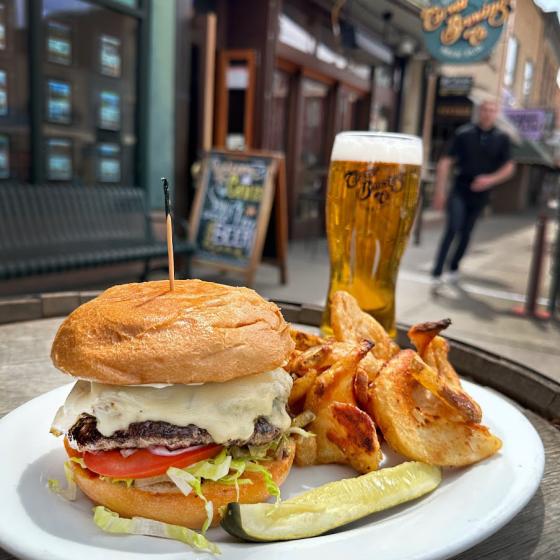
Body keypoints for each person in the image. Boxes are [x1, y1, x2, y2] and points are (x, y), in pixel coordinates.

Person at [431, 100, 515, 286]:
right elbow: (445, 163)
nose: (488, 113)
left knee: (466, 232)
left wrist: (490, 180)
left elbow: (509, 167)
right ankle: (437, 271)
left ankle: (453, 267)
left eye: (492, 109)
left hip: (481, 192)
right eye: (485, 109)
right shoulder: (464, 133)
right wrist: (439, 192)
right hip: (460, 187)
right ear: (479, 111)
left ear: (496, 113)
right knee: (452, 227)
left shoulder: (502, 138)